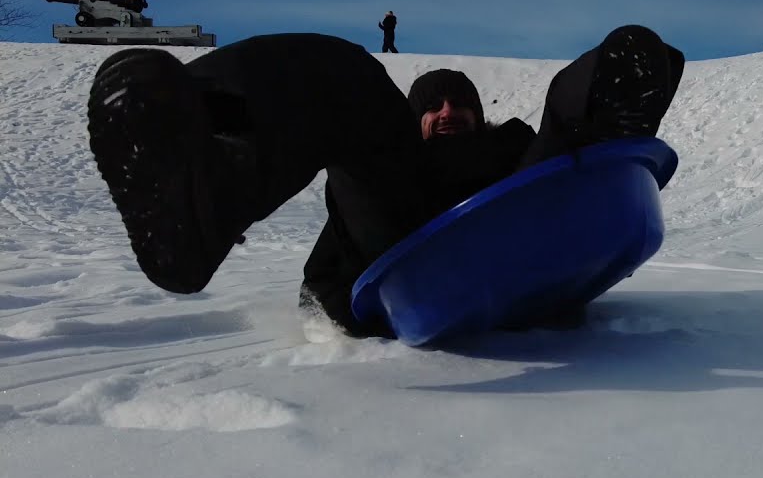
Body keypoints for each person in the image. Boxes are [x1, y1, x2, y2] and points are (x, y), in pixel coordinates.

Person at [85, 25, 685, 338]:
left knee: (572, 118)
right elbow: (328, 269)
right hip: (405, 255)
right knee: (345, 75)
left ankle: (618, 111)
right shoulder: (391, 154)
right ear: (414, 118)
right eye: (433, 105)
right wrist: (326, 306)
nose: (448, 112)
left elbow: (545, 155)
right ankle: (200, 167)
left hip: (521, 239)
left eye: (460, 104)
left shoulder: (511, 148)